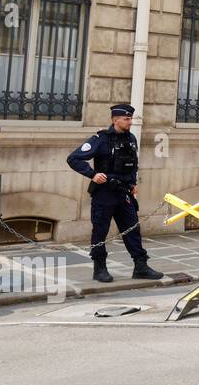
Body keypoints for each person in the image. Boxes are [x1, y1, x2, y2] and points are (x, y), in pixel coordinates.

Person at [66, 103, 163, 283]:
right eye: (126, 119)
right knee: (100, 231)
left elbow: (133, 164)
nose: (130, 122)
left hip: (124, 194)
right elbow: (73, 159)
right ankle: (99, 268)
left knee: (132, 229)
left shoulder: (131, 139)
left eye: (130, 118)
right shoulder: (100, 139)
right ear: (115, 119)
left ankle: (140, 266)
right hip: (104, 194)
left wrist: (133, 183)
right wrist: (93, 175)